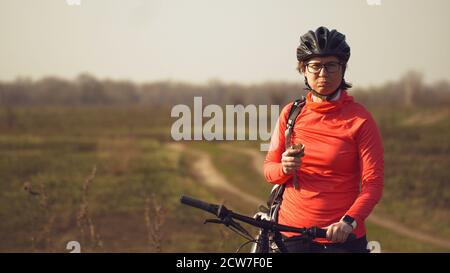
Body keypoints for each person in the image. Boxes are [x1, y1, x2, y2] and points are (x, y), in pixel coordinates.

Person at [263, 26, 384, 253]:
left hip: (341, 238)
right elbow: (269, 170)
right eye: (315, 66)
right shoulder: (291, 114)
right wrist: (285, 168)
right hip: (291, 236)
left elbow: (373, 184)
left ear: (343, 68)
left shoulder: (360, 119)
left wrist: (349, 222)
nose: (323, 74)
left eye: (331, 66)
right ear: (303, 69)